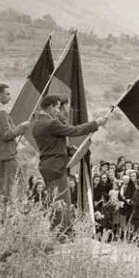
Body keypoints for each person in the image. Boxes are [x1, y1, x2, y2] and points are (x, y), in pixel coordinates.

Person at [32, 95, 107, 233]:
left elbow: (51, 145)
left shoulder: (37, 123)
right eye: (57, 107)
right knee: (62, 200)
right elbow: (74, 131)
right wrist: (95, 124)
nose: (58, 110)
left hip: (48, 165)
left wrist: (68, 150)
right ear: (50, 107)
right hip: (56, 166)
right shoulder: (51, 123)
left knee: (56, 199)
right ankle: (62, 232)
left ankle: (61, 230)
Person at [0, 83, 31, 201]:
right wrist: (22, 127)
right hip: (6, 156)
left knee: (3, 189)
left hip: (0, 155)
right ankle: (10, 215)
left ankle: (4, 216)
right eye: (7, 94)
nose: (10, 97)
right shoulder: (0, 112)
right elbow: (6, 135)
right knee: (12, 189)